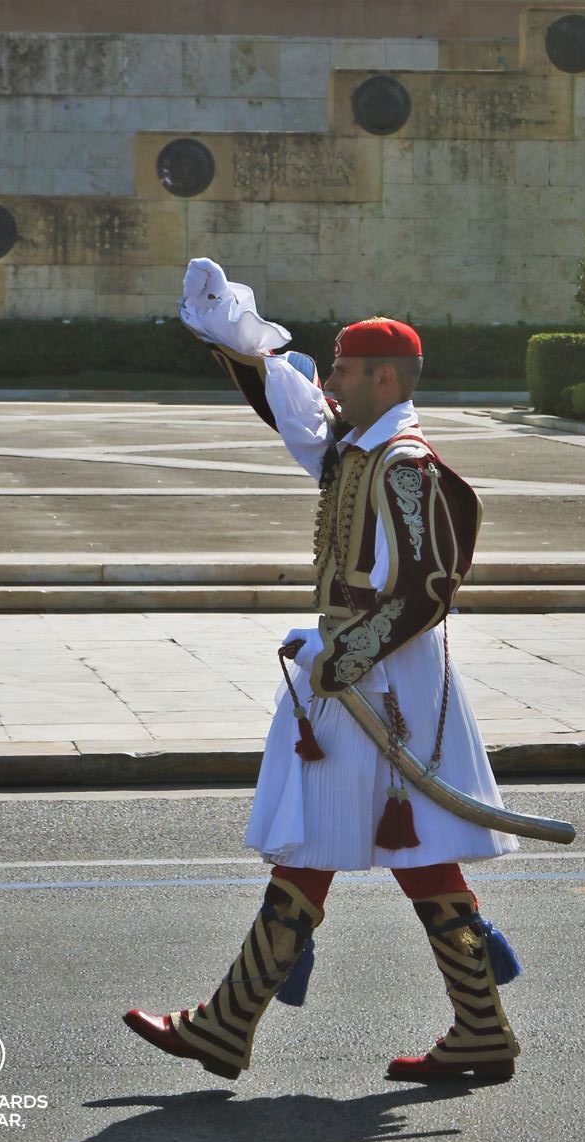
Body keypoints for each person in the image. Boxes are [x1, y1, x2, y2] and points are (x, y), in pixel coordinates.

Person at [123, 258, 522, 1083]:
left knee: (326, 846)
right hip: (357, 677)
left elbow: (424, 590)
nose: (330, 380)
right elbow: (297, 414)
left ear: (383, 377)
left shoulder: (403, 461)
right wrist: (237, 341)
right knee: (399, 856)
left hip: (380, 684)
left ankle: (226, 1027)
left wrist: (340, 658)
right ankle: (474, 1029)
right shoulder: (360, 446)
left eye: (341, 368)